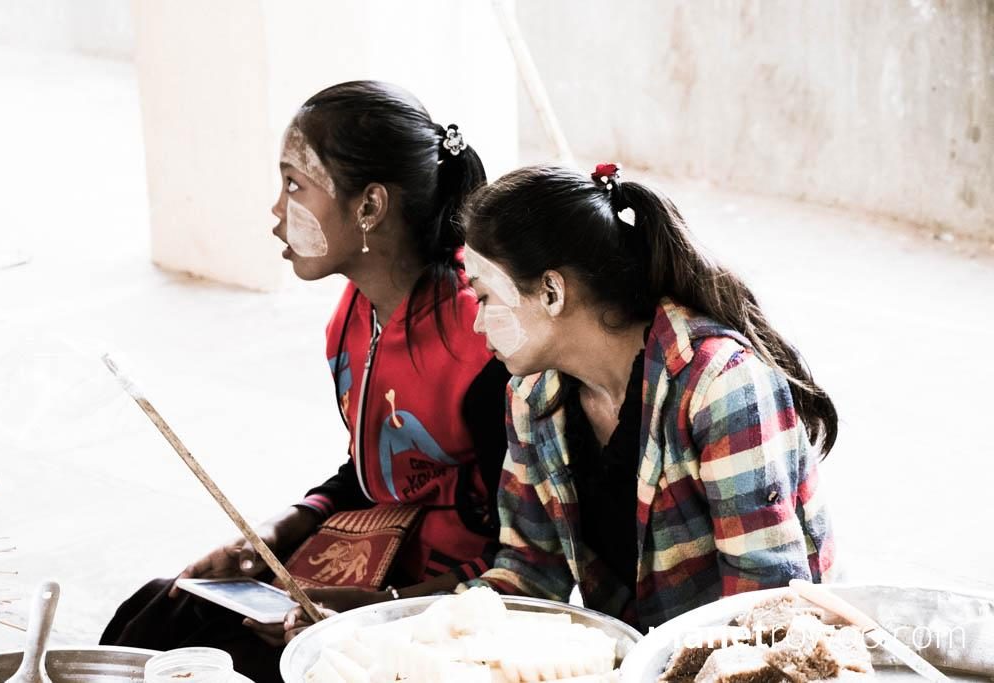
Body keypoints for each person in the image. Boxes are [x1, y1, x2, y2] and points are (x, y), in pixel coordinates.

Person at [101, 81, 509, 682]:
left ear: (369, 207)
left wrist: (371, 614)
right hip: (375, 551)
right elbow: (372, 473)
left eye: (294, 184)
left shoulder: (484, 346)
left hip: (446, 607)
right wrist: (273, 532)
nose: (276, 210)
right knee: (162, 611)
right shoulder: (353, 316)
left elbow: (527, 560)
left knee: (248, 662)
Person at [461, 163, 837, 632]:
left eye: (483, 298)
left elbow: (766, 607)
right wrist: (439, 629)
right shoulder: (531, 396)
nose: (477, 323)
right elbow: (530, 572)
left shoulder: (720, 386)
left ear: (552, 291)